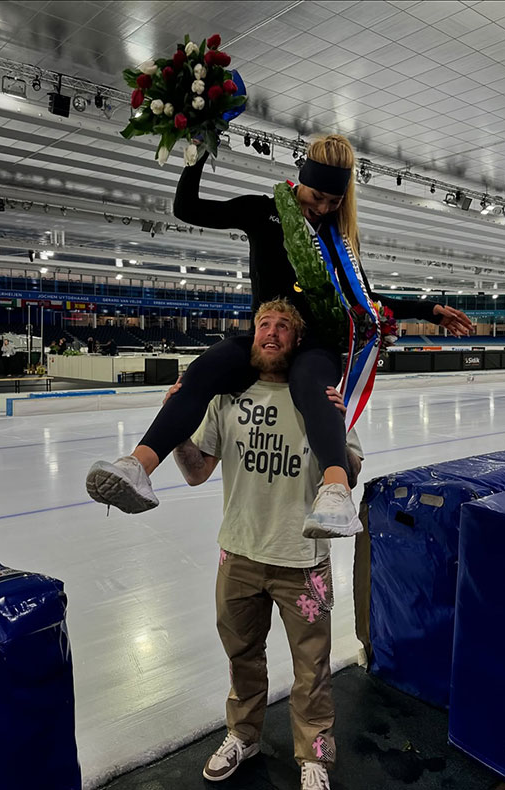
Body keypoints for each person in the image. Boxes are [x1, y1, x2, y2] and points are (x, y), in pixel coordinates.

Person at [86, 134, 472, 538]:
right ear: (301, 179)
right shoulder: (263, 212)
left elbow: (364, 298)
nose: (322, 208)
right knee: (205, 368)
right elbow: (187, 208)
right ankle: (138, 467)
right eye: (317, 196)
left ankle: (335, 492)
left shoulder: (341, 241)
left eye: (334, 201)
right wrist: (197, 149)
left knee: (311, 384)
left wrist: (428, 310)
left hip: (315, 345)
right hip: (265, 336)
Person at [172, 299, 362, 789]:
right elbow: (196, 471)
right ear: (252, 335)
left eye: (283, 327)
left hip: (302, 560)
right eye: (263, 325)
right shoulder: (226, 396)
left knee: (311, 669)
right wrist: (174, 426)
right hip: (238, 555)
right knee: (242, 658)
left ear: (297, 341)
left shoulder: (320, 397)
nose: (271, 333)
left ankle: (314, 754)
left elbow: (350, 477)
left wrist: (339, 429)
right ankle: (244, 735)